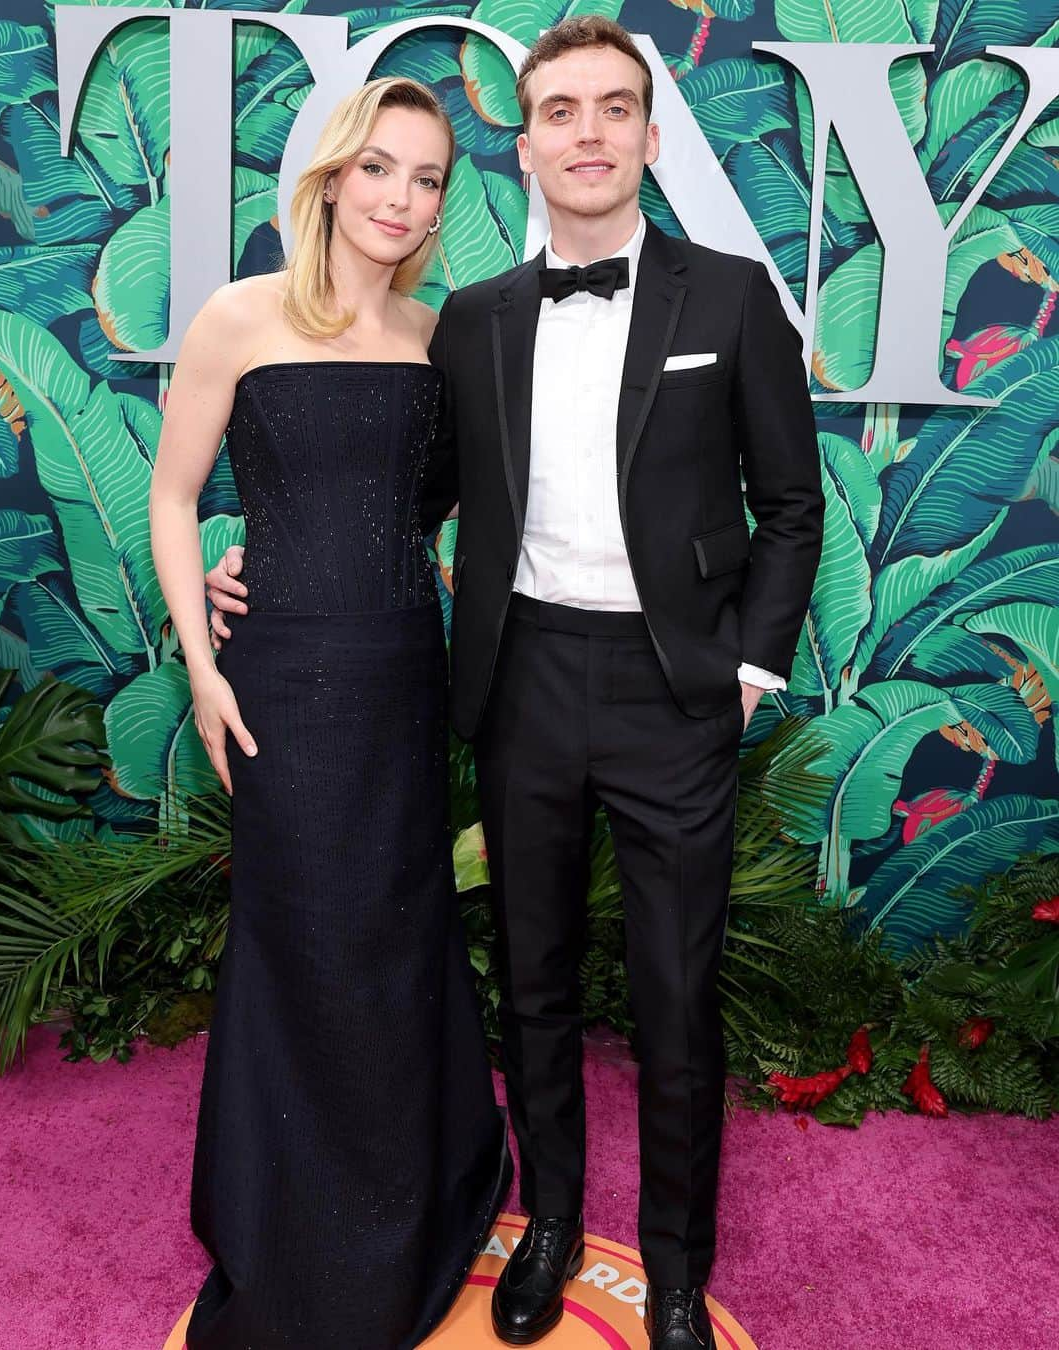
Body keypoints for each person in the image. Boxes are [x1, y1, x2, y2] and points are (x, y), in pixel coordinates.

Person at [209, 18, 823, 1349]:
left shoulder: (730, 301)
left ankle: (670, 1266)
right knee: (531, 980)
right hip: (521, 678)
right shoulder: (472, 323)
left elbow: (790, 505)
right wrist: (267, 555)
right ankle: (547, 1225)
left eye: (614, 108)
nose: (588, 133)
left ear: (651, 141)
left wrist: (751, 670)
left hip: (678, 693)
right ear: (527, 144)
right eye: (560, 111)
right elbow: (397, 488)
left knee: (673, 991)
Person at [149, 76, 511, 1350]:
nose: (402, 201)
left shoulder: (440, 335)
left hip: (402, 673)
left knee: (395, 931)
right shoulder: (238, 317)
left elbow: (434, 510)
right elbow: (173, 498)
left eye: (426, 181)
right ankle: (291, 1219)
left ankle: (409, 1196)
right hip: (277, 682)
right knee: (299, 933)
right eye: (380, 170)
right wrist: (203, 660)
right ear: (331, 177)